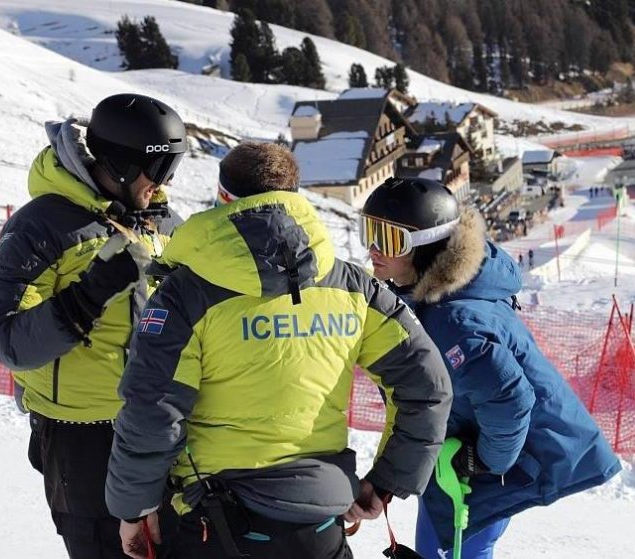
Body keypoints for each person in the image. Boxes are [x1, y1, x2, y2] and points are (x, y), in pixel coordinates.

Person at [105, 143, 453, 559]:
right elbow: (426, 385)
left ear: (225, 197)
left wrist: (134, 509)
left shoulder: (186, 293)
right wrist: (386, 481)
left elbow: (152, 408)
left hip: (213, 522)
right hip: (319, 524)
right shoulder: (353, 287)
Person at [360, 177, 621, 559]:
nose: (373, 248)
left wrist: (485, 461)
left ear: (427, 245)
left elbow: (511, 398)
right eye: (369, 230)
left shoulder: (452, 319)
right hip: (456, 456)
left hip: (493, 463)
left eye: (390, 238)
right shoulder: (427, 293)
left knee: (454, 549)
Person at [0, 93, 188, 558]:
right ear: (121, 165)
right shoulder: (43, 225)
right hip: (82, 435)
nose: (165, 183)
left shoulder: (164, 223)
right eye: (159, 170)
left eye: (172, 169)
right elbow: (1, 336)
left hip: (159, 425)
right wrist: (87, 296)